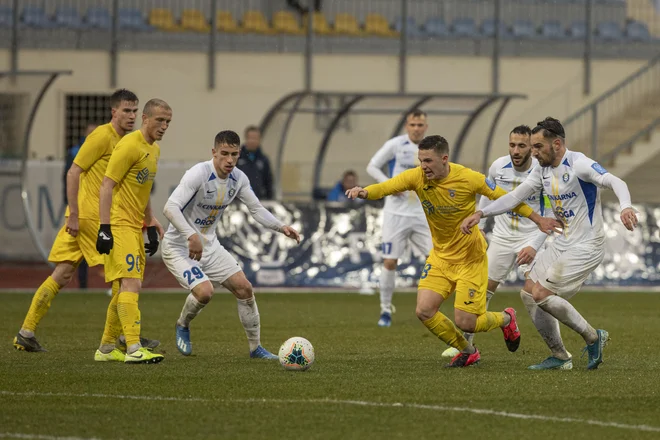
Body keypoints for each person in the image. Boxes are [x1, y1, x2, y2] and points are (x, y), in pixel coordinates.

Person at [347, 135, 561, 367]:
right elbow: (387, 186)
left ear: (444, 159)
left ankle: (507, 318)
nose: (423, 166)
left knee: (467, 322)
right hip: (441, 257)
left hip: (471, 259)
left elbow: (507, 200)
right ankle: (468, 350)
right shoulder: (416, 177)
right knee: (424, 310)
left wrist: (538, 218)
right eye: (421, 160)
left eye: (428, 161)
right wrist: (364, 191)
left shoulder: (468, 178)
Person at [460, 117, 637, 370]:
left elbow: (616, 181)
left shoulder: (579, 164)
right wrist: (481, 213)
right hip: (563, 241)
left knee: (542, 294)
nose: (533, 152)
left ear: (556, 144)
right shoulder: (541, 169)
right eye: (532, 147)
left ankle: (593, 337)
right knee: (528, 292)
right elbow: (514, 197)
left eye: (537, 146)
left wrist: (626, 207)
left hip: (586, 245)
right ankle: (560, 356)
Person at [13, 89, 157, 353]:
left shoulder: (129, 141)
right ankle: (125, 339)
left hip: (87, 218)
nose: (132, 116)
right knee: (124, 277)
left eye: (135, 111)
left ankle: (26, 330)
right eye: (126, 110)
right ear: (114, 111)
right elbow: (73, 171)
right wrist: (76, 213)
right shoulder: (102, 136)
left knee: (63, 273)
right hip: (94, 219)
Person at [162, 130, 301, 358]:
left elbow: (255, 208)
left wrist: (281, 227)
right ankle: (182, 325)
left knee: (244, 288)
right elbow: (170, 207)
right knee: (205, 292)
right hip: (179, 247)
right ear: (214, 153)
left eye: (234, 154)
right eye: (224, 154)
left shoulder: (239, 178)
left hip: (210, 246)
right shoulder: (198, 173)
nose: (229, 160)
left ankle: (255, 348)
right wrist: (190, 235)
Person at [442, 125, 550, 359]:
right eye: (512, 145)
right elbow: (484, 193)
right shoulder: (498, 166)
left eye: (522, 145)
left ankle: (557, 350)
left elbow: (550, 213)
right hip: (502, 237)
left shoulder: (542, 171)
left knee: (536, 294)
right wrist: (479, 227)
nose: (516, 150)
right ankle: (465, 345)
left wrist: (536, 244)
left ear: (531, 148)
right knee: (480, 291)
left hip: (531, 237)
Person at [94, 98, 172, 364]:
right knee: (132, 284)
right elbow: (106, 186)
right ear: (145, 119)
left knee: (121, 289)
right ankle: (134, 348)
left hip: (133, 225)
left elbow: (144, 190)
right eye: (160, 120)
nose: (164, 126)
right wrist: (104, 228)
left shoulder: (154, 150)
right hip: (118, 224)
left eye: (168, 122)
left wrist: (149, 222)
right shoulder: (128, 145)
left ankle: (105, 349)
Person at [366, 109, 432, 327]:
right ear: (407, 126)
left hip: (423, 213)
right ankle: (385, 310)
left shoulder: (432, 147)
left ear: (426, 127)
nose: (416, 129)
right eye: (413, 125)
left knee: (436, 260)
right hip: (396, 213)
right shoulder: (396, 145)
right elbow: (372, 166)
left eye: (420, 125)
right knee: (390, 261)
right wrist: (388, 186)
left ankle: (433, 306)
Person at [63, 121, 99, 290]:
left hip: (96, 208)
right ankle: (82, 285)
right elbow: (69, 174)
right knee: (73, 255)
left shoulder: (102, 148)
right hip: (78, 208)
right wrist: (71, 208)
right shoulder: (75, 152)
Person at [237, 125, 274, 200]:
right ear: (246, 139)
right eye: (250, 138)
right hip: (239, 201)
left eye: (255, 138)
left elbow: (268, 182)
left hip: (259, 201)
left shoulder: (264, 160)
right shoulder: (237, 158)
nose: (252, 141)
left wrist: (270, 199)